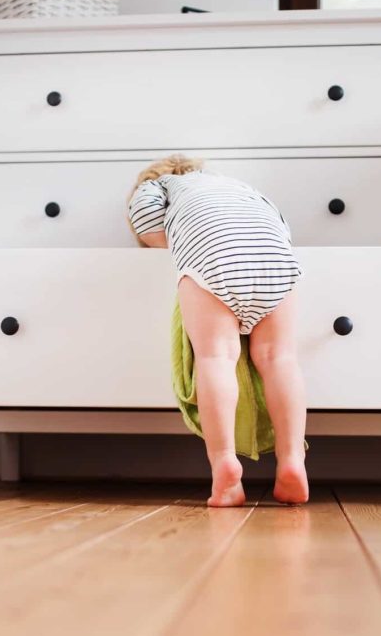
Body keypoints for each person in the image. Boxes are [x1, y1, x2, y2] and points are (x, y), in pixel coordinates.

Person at [127, 154, 308, 506]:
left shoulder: (157, 186)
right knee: (280, 358)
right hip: (275, 257)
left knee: (217, 357)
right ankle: (292, 461)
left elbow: (145, 222)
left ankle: (224, 464)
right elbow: (282, 225)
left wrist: (165, 241)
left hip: (212, 255)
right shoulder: (242, 188)